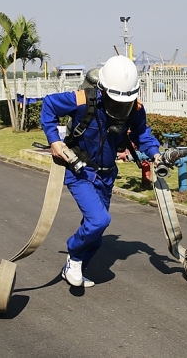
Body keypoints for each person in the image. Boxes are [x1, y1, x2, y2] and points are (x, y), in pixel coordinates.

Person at [40, 55, 162, 288]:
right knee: (99, 220)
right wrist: (54, 140)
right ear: (103, 90)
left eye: (124, 102)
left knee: (97, 229)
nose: (120, 107)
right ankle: (73, 252)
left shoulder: (134, 108)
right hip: (80, 171)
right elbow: (49, 105)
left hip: (107, 175)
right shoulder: (82, 100)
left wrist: (155, 153)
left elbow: (142, 134)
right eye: (115, 101)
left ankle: (75, 265)